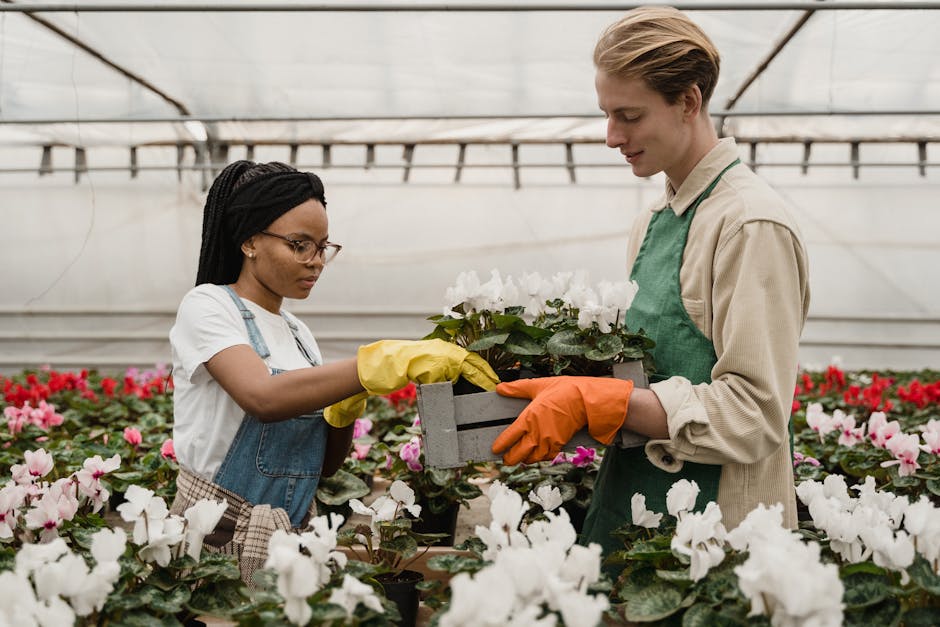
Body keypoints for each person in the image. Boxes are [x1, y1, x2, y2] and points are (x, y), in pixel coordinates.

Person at [492, 6, 810, 557]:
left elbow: (756, 415)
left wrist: (604, 400)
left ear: (687, 101)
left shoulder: (749, 224)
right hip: (632, 501)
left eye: (629, 115)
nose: (611, 136)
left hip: (713, 533)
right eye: (606, 115)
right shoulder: (655, 220)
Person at [169, 160, 498, 583]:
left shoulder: (299, 334)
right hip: (214, 543)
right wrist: (371, 366)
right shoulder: (208, 306)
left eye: (323, 247)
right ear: (249, 241)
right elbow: (262, 397)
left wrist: (345, 409)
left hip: (294, 539)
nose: (316, 262)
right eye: (300, 245)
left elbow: (323, 466)